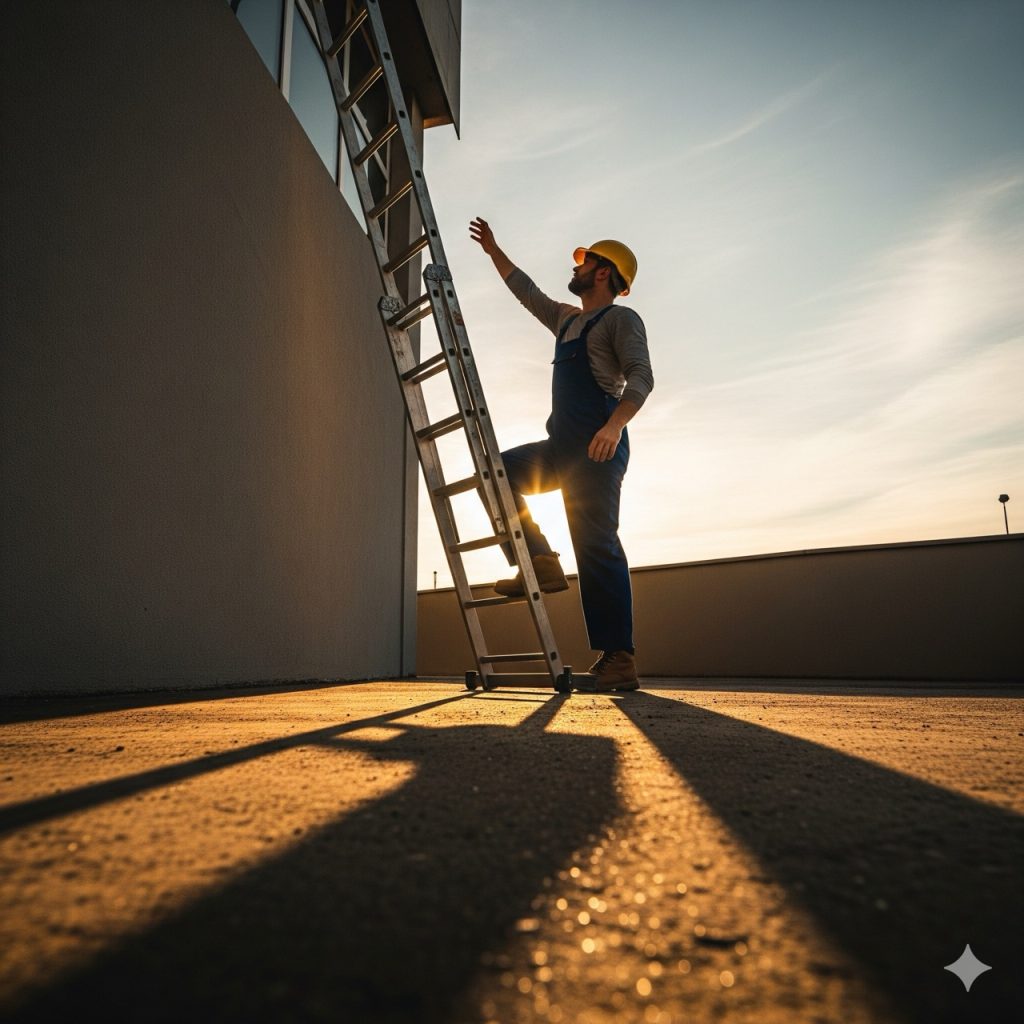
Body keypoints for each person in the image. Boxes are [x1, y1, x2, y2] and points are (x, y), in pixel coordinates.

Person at [469, 217, 654, 692]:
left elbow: (641, 376)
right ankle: (538, 558)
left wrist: (614, 427)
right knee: (495, 472)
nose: (576, 267)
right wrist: (493, 250)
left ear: (603, 272)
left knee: (595, 545)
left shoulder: (620, 320)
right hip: (561, 447)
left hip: (597, 446)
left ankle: (619, 659)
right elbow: (526, 291)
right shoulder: (567, 319)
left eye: (585, 261)